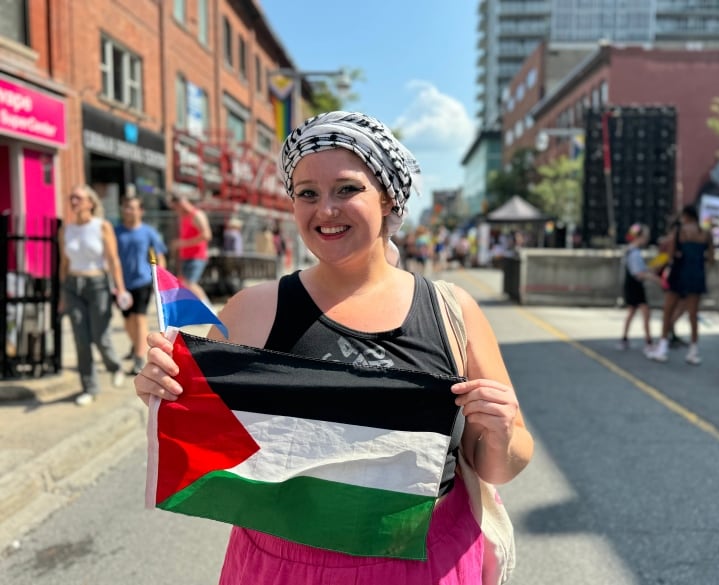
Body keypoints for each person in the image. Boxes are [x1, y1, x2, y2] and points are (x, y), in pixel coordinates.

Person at [134, 111, 534, 584]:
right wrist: (161, 393)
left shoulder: (452, 310)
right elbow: (206, 439)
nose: (325, 209)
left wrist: (502, 430)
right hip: (283, 567)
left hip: (423, 565)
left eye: (347, 189)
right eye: (307, 193)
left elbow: (503, 463)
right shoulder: (252, 311)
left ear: (387, 198)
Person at [60, 185, 129, 406]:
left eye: (78, 198)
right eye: (72, 198)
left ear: (90, 202)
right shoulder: (66, 230)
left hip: (98, 284)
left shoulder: (102, 226)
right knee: (81, 339)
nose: (74, 202)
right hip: (72, 285)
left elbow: (113, 259)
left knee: (100, 336)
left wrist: (121, 288)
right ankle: (90, 387)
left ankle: (115, 367)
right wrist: (62, 292)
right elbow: (64, 263)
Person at [647, 205, 713, 365]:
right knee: (693, 314)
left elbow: (669, 255)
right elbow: (711, 258)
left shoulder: (679, 232)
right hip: (696, 274)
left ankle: (662, 347)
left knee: (668, 310)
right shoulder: (705, 233)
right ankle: (693, 350)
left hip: (679, 272)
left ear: (685, 216)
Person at [114, 195, 168, 375]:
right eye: (125, 207)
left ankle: (139, 359)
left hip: (142, 281)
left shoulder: (148, 232)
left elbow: (159, 255)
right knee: (128, 321)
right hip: (121, 283)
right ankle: (137, 345)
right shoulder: (116, 231)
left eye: (132, 207)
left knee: (139, 319)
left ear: (140, 210)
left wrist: (161, 278)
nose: (128, 211)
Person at [617, 223, 662, 353]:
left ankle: (624, 339)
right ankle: (648, 342)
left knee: (631, 312)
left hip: (630, 285)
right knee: (645, 313)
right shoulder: (634, 253)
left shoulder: (630, 251)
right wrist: (655, 279)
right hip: (635, 285)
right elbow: (639, 273)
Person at [168, 194, 212, 302]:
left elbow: (207, 235)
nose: (174, 211)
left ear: (180, 204)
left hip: (197, 256)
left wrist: (182, 243)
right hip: (186, 256)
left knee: (190, 284)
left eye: (175, 207)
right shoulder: (182, 217)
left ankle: (209, 309)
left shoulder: (196, 215)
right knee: (183, 284)